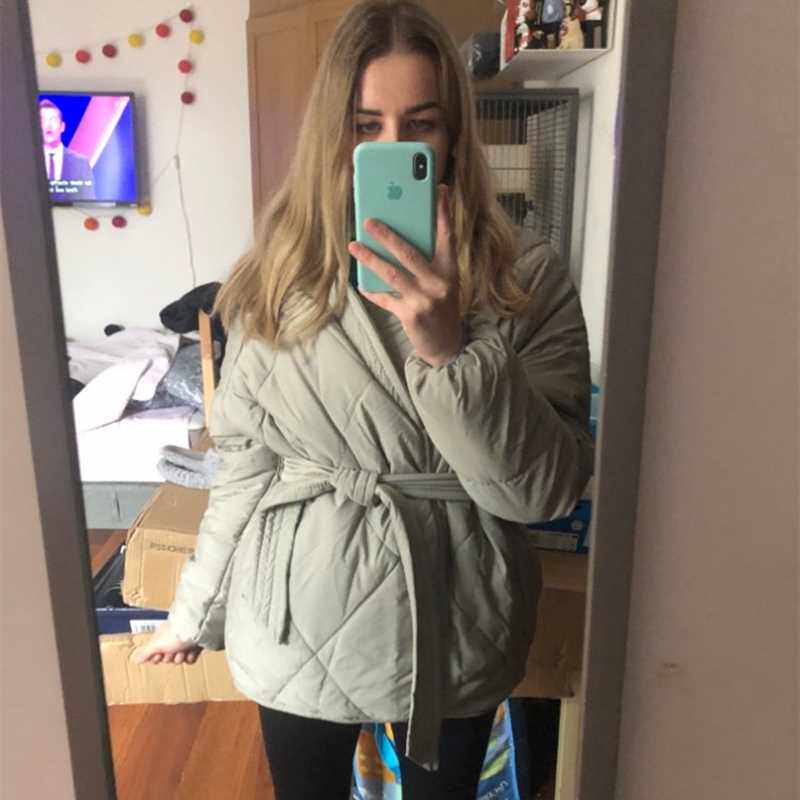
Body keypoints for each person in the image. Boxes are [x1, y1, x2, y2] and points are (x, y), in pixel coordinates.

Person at [132, 1, 593, 797]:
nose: (393, 148)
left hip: (457, 614)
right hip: (298, 614)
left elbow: (543, 494)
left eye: (422, 124)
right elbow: (243, 468)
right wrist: (193, 613)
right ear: (330, 136)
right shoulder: (275, 279)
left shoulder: (527, 276)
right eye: (365, 126)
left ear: (456, 134)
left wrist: (451, 351)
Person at [39, 99, 95, 201]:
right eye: (43, 120)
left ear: (62, 127)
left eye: (53, 120)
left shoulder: (81, 163)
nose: (48, 125)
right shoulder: (28, 163)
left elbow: (88, 202)